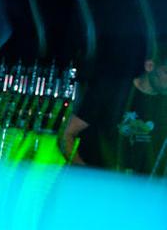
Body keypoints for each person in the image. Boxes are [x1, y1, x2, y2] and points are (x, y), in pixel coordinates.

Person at [64, 42, 167, 177]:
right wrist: (85, 173)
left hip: (137, 187)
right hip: (96, 182)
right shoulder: (110, 91)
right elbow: (66, 135)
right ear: (149, 66)